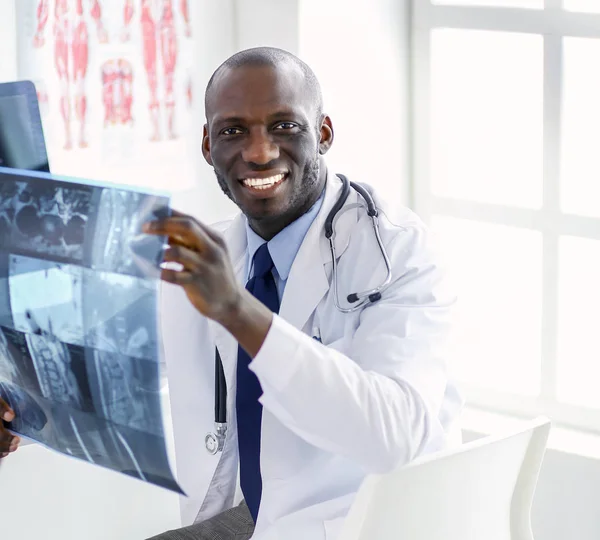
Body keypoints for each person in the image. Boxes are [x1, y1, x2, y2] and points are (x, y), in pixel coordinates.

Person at [0, 47, 462, 539]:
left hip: (370, 519)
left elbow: (392, 438)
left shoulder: (397, 251)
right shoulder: (213, 252)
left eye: (284, 126)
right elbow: (110, 378)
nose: (259, 151)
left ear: (323, 133)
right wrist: (19, 411)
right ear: (207, 144)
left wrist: (236, 309)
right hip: (265, 513)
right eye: (233, 130)